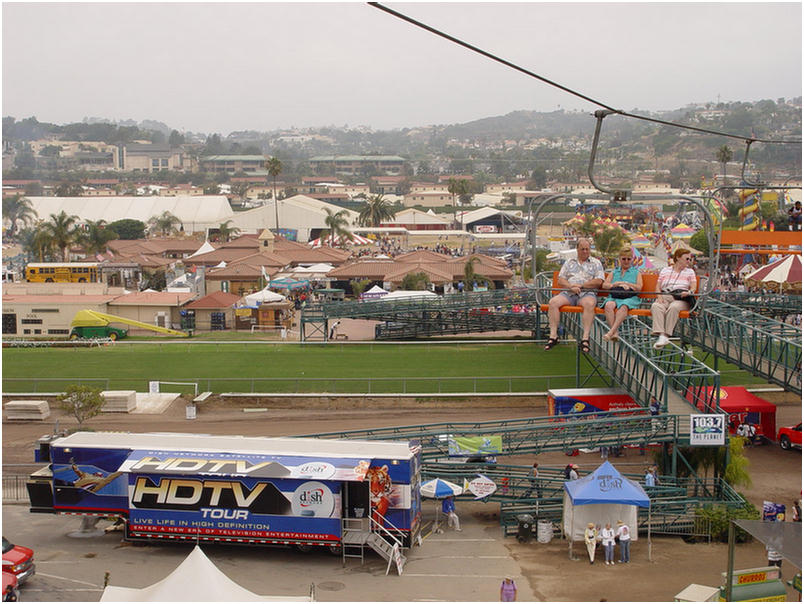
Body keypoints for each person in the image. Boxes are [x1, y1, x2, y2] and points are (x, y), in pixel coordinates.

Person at [544, 238, 605, 354]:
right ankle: (553, 335)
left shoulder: (596, 263)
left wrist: (582, 286)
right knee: (553, 303)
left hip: (586, 292)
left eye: (587, 249)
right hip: (569, 292)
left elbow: (599, 281)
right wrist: (571, 286)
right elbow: (561, 279)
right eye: (582, 249)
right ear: (577, 249)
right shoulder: (569, 262)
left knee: (589, 304)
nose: (585, 252)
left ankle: (585, 338)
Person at [651, 248, 697, 349]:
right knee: (656, 306)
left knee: (674, 307)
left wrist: (689, 292)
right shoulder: (665, 270)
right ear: (678, 258)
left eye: (690, 259)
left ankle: (665, 335)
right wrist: (659, 296)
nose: (689, 261)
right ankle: (661, 333)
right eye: (687, 259)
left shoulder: (690, 272)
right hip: (666, 295)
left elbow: (693, 287)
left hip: (681, 298)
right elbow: (658, 286)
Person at [601, 246, 643, 342]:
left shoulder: (636, 272)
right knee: (608, 305)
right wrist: (615, 284)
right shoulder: (614, 272)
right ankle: (614, 332)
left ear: (632, 259)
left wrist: (627, 284)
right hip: (615, 296)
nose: (626, 261)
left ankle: (611, 332)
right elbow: (605, 285)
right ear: (620, 259)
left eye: (628, 259)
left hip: (629, 297)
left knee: (624, 306)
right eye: (624, 259)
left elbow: (639, 287)